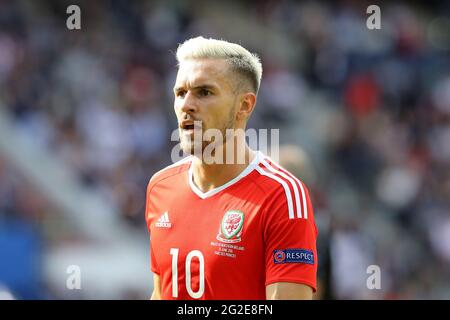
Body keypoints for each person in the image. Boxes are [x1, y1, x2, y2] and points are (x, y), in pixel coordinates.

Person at [145, 36, 318, 300]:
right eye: (180, 93)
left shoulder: (282, 196)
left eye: (205, 92)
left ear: (244, 105)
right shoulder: (161, 187)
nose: (187, 105)